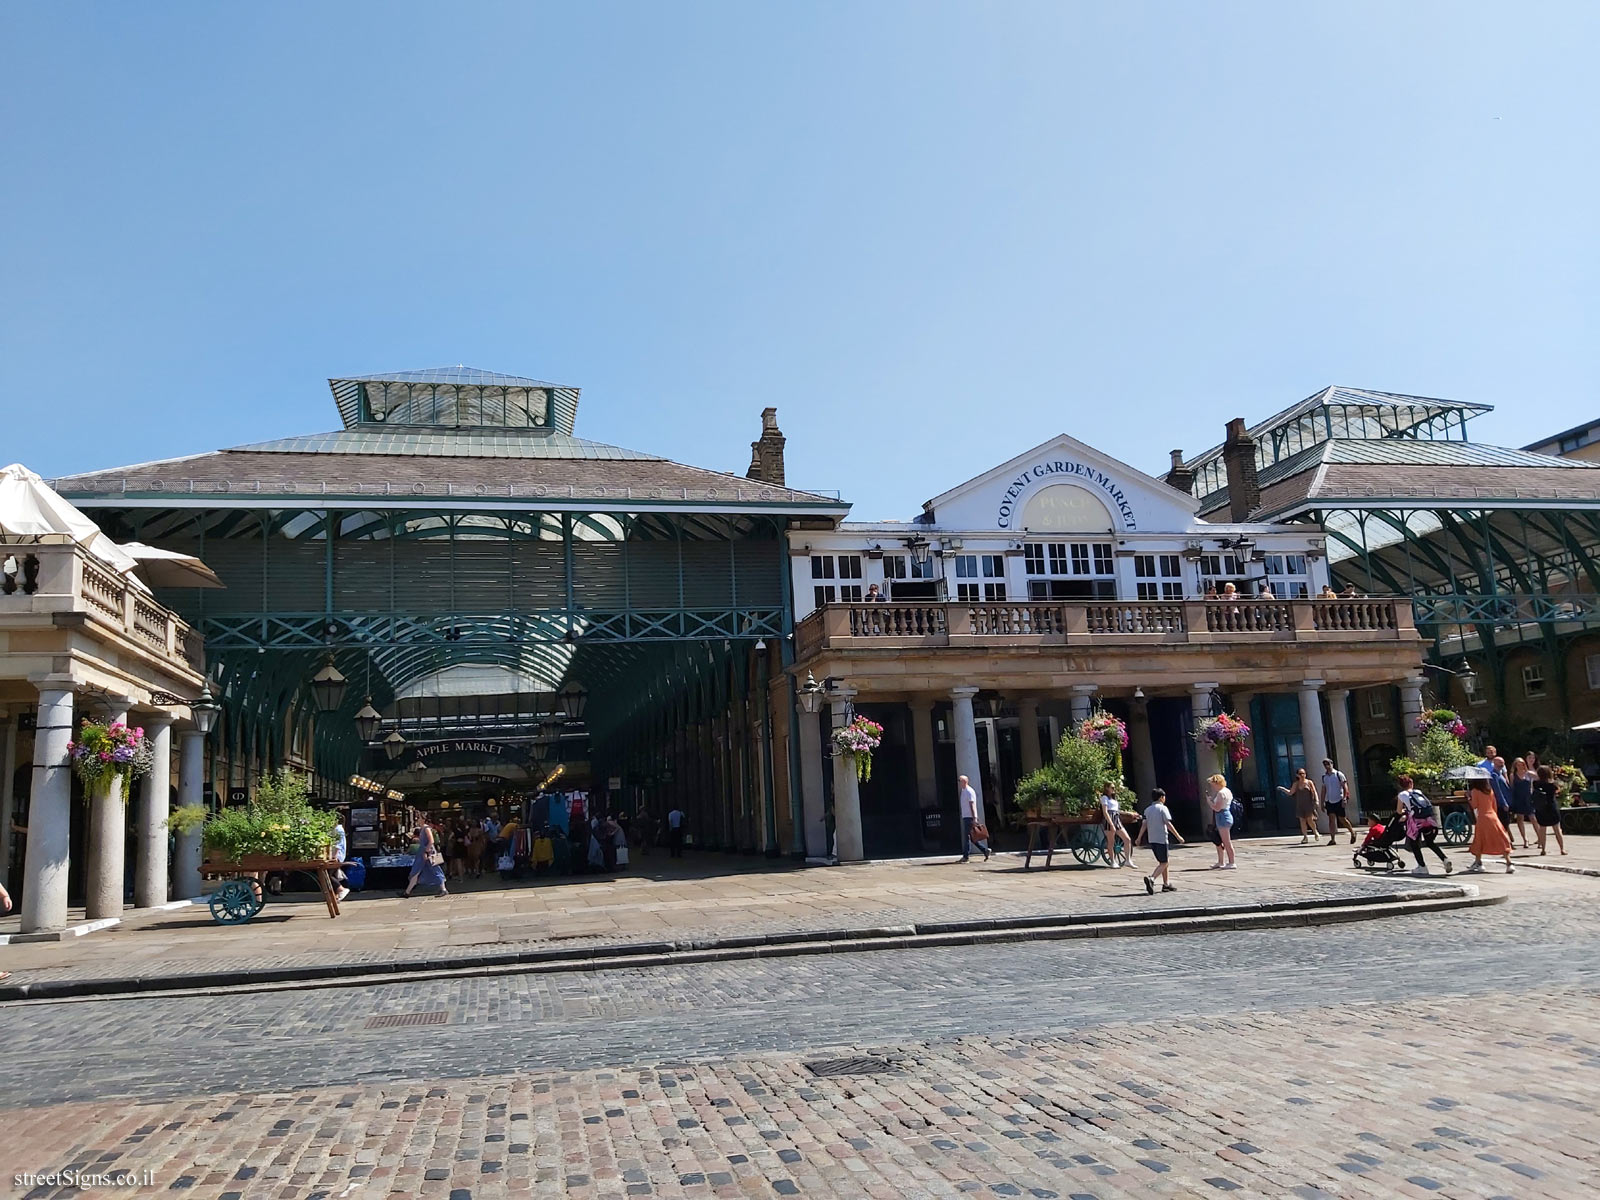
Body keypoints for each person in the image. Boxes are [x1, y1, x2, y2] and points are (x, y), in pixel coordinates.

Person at [1396, 774, 1452, 876]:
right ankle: (1445, 859)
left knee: (1414, 844)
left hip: (1416, 823)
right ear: (1411, 783)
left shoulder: (1402, 795)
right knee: (1430, 842)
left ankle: (1422, 866)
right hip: (1428, 820)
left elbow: (1399, 811)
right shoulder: (1418, 792)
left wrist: (1405, 812)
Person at [1463, 776, 1514, 874]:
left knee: (1479, 839)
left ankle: (1479, 862)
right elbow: (1494, 805)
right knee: (1501, 839)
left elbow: (1474, 805)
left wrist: (1469, 797)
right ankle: (1508, 862)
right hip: (1493, 817)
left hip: (1482, 818)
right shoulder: (1490, 790)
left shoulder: (1475, 791)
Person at [1136, 788, 1183, 894]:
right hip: (1162, 838)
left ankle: (1166, 884)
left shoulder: (1148, 810)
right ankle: (1152, 878)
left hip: (1152, 839)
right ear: (1162, 797)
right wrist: (1178, 836)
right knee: (1164, 862)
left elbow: (1144, 824)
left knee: (1163, 861)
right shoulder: (1163, 808)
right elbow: (1168, 823)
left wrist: (1139, 837)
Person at [400, 820, 449, 898]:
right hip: (424, 852)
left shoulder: (426, 828)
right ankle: (407, 892)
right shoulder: (424, 829)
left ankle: (443, 889)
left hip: (427, 853)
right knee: (419, 870)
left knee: (433, 870)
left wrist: (426, 851)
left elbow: (431, 841)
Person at [1319, 758, 1357, 845]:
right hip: (1329, 800)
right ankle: (1332, 839)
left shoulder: (1338, 774)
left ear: (1332, 764)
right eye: (1325, 765)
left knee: (1342, 819)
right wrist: (1322, 802)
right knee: (1331, 819)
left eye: (1328, 764)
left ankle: (1352, 832)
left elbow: (1345, 787)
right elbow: (1324, 789)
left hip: (1338, 799)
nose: (1327, 766)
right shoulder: (1324, 777)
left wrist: (1345, 798)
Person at [1532, 765, 1567, 856]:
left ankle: (1543, 849)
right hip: (1551, 807)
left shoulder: (1536, 783)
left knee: (1542, 829)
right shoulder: (1553, 784)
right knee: (1557, 829)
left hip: (1541, 808)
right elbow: (1558, 791)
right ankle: (1562, 849)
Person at [1278, 768, 1320, 843]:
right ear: (1297, 775)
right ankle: (1305, 837)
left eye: (1304, 773)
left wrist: (1316, 800)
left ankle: (1315, 831)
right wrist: (1283, 789)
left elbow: (1314, 791)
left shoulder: (1309, 782)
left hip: (1309, 804)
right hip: (1300, 805)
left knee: (1310, 820)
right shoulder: (1296, 784)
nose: (1303, 775)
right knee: (1302, 821)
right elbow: (1290, 792)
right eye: (1301, 774)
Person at [1205, 773, 1236, 869]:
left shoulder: (1221, 793)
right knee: (1219, 840)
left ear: (1217, 783)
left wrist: (1209, 802)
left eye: (1213, 784)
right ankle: (1221, 861)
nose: (1212, 786)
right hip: (1225, 815)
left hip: (1222, 816)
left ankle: (1231, 862)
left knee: (1226, 841)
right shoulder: (1227, 791)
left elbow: (1217, 808)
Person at [1098, 780, 1133, 867]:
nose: (1113, 789)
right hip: (1109, 819)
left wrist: (1129, 813)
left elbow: (1117, 811)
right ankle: (1113, 861)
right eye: (1112, 787)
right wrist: (1111, 824)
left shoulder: (1113, 799)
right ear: (1107, 788)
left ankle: (1128, 860)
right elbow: (1105, 812)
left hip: (1116, 818)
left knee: (1127, 839)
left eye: (1114, 787)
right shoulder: (1104, 798)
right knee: (1111, 842)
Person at [958, 775, 990, 862]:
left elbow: (972, 805)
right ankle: (985, 850)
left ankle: (966, 857)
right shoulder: (963, 791)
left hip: (969, 817)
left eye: (960, 781)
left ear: (965, 781)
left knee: (967, 837)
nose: (959, 783)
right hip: (966, 816)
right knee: (971, 837)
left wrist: (974, 817)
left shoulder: (969, 791)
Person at [1508, 757, 1537, 850]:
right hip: (1518, 798)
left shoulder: (1528, 774)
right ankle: (1525, 839)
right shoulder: (1513, 775)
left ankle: (1540, 838)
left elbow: (1539, 777)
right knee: (1520, 819)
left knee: (1533, 818)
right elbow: (1511, 787)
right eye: (1518, 764)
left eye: (1522, 764)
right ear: (1515, 765)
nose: (1520, 766)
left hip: (1528, 798)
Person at [331, 812, 350, 903]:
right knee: (333, 875)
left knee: (327, 875)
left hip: (336, 856)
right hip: (337, 856)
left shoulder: (338, 829)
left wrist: (334, 857)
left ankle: (341, 889)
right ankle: (336, 896)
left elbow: (338, 845)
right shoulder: (338, 828)